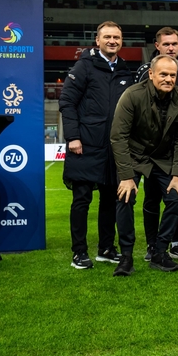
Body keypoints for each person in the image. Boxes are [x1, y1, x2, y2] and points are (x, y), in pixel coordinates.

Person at [59, 21, 133, 270]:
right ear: (97, 40)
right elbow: (67, 101)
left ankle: (105, 248)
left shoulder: (125, 70)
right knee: (81, 199)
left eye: (117, 37)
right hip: (86, 145)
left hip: (113, 148)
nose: (113, 41)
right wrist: (73, 137)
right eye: (108, 37)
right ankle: (79, 252)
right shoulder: (83, 67)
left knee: (110, 199)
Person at [110, 55, 178, 276]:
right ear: (151, 74)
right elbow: (118, 137)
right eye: (163, 74)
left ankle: (159, 251)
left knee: (176, 199)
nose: (168, 79)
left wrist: (177, 175)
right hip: (135, 156)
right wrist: (126, 176)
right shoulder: (132, 95)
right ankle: (126, 256)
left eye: (172, 75)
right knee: (124, 197)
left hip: (163, 158)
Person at [135, 27, 178, 263]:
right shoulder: (145, 73)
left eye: (174, 44)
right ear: (157, 46)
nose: (171, 48)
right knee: (151, 198)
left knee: (177, 194)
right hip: (151, 149)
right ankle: (152, 244)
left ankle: (176, 242)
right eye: (166, 44)